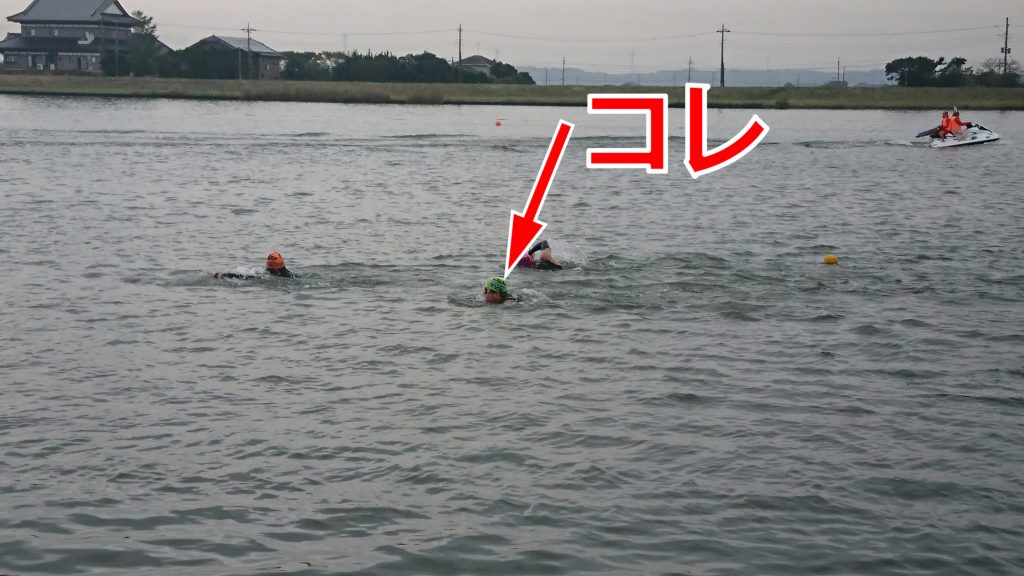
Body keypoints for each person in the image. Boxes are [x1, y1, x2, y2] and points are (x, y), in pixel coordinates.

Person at [213, 251, 299, 279]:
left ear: (269, 265)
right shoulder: (293, 276)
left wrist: (222, 275)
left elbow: (245, 277)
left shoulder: (265, 276)